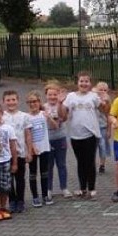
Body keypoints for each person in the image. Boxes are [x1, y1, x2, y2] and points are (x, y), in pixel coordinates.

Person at [63, 71, 107, 199]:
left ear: (90, 83)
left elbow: (104, 110)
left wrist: (105, 101)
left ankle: (92, 188)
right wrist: (61, 103)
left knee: (89, 161)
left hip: (90, 134)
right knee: (80, 162)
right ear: (77, 82)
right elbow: (63, 114)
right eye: (81, 81)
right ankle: (82, 188)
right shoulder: (71, 96)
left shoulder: (93, 96)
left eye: (86, 81)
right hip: (75, 135)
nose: (83, 83)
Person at [2, 90, 33, 213]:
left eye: (13, 100)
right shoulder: (2, 116)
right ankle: (12, 200)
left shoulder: (24, 116)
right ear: (4, 102)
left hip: (20, 152)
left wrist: (29, 151)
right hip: (5, 154)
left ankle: (20, 200)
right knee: (8, 179)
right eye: (8, 100)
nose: (11, 102)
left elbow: (28, 135)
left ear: (18, 101)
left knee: (20, 178)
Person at [25, 90, 56, 207]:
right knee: (33, 174)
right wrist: (32, 147)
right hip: (32, 149)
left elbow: (55, 126)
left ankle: (45, 195)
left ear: (39, 102)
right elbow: (27, 135)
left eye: (35, 101)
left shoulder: (44, 114)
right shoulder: (26, 117)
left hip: (45, 148)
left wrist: (49, 118)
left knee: (45, 173)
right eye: (30, 102)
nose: (33, 104)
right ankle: (35, 197)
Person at [44, 82, 71, 199]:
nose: (52, 97)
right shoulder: (43, 107)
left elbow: (63, 118)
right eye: (50, 94)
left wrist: (60, 103)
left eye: (55, 94)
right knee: (48, 166)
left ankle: (64, 188)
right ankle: (48, 189)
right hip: (47, 141)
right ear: (46, 95)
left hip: (60, 139)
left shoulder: (63, 106)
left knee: (62, 164)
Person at [95, 81, 112, 174]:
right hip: (93, 127)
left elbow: (109, 115)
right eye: (100, 89)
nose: (102, 91)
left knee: (103, 146)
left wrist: (109, 130)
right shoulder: (93, 99)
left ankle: (102, 165)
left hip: (102, 127)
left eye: (105, 90)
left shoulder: (108, 102)